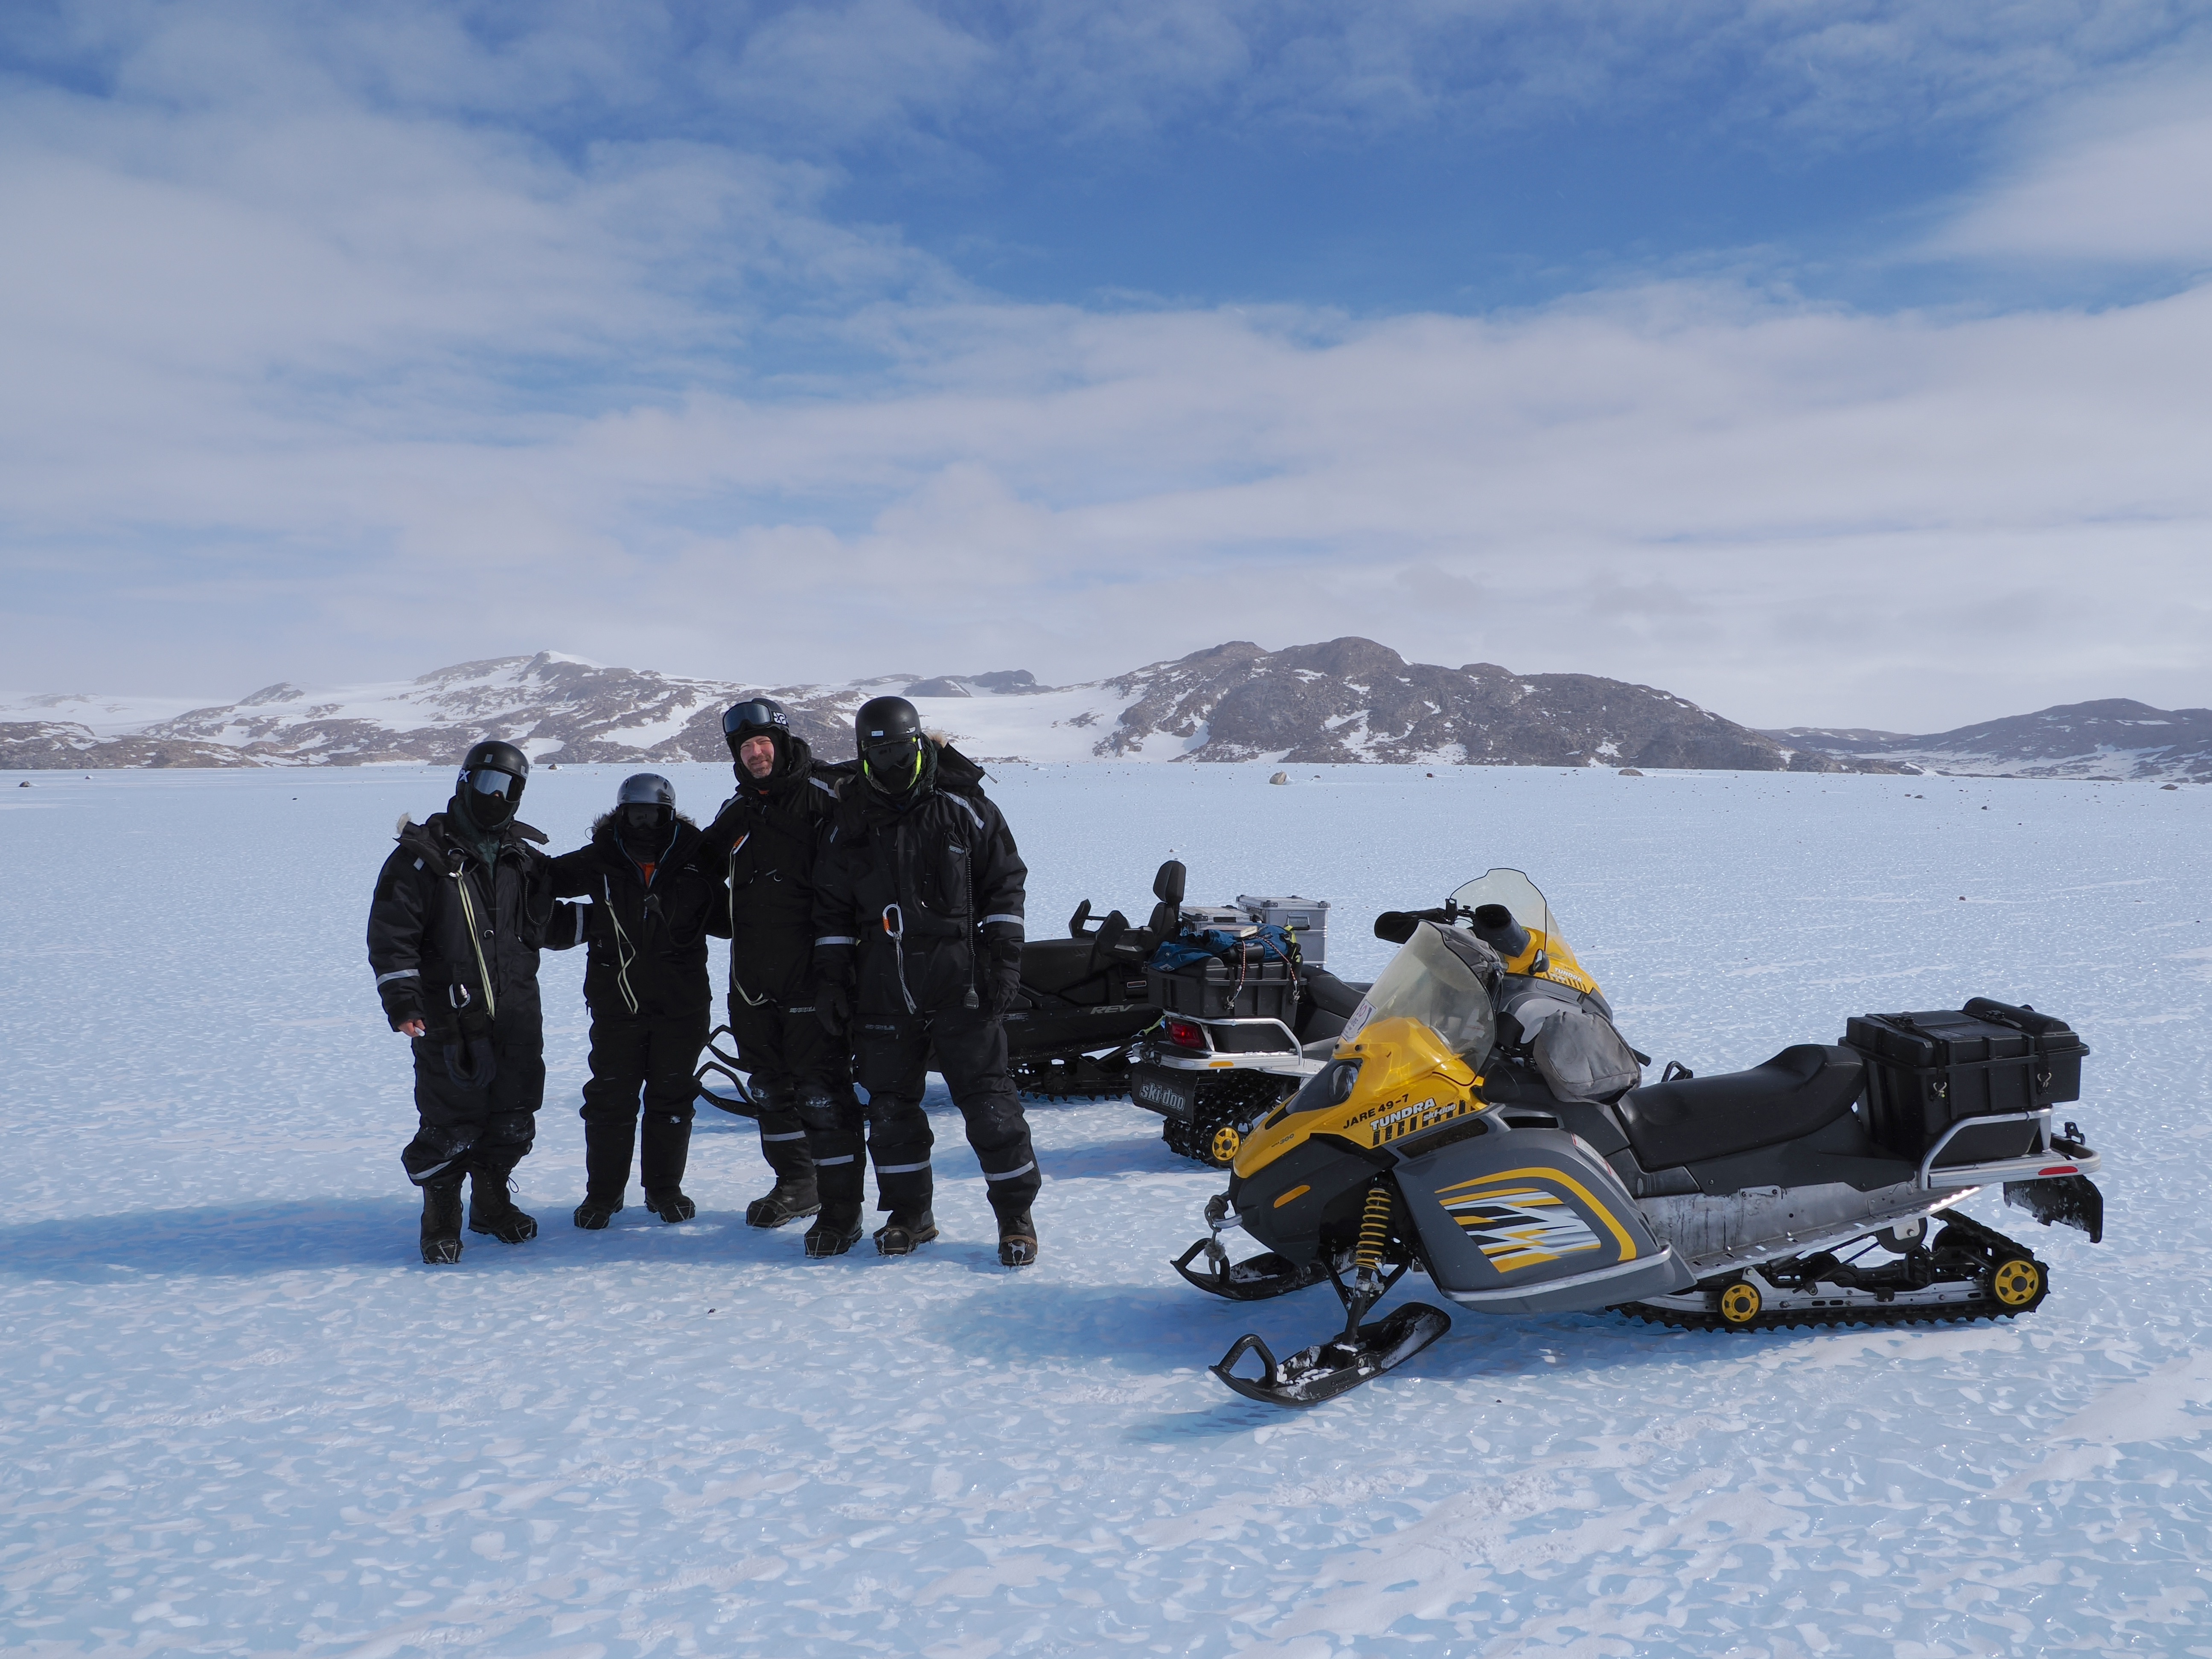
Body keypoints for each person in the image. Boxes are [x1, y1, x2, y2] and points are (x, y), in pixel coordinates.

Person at [811, 696, 1042, 1266]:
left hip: (962, 977)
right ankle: (911, 1215)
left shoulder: (966, 808)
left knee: (990, 1105)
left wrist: (1004, 960)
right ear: (864, 755)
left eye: (902, 749)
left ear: (921, 745)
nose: (893, 762)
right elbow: (832, 912)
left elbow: (1005, 887)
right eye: (880, 752)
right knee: (890, 1109)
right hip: (883, 983)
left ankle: (1016, 1216)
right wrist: (833, 981)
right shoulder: (849, 821)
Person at [367, 739, 582, 1264]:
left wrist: (612, 924)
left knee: (512, 1116)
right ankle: (440, 1218)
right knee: (451, 1121)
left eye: (509, 788)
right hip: (450, 1019)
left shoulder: (520, 860)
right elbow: (392, 935)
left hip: (516, 1014)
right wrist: (403, 998)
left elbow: (542, 925)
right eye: (487, 783)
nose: (497, 796)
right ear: (464, 783)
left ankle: (490, 1204)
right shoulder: (423, 860)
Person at [700, 698, 865, 1256]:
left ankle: (842, 1208)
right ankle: (797, 1183)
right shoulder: (740, 810)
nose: (755, 754)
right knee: (771, 1088)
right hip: (751, 979)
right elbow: (696, 866)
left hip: (812, 975)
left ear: (783, 741)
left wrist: (839, 974)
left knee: (822, 1093)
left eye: (762, 743)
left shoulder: (824, 801)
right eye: (745, 748)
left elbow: (853, 887)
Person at [550, 774, 723, 1228]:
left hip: (681, 1004)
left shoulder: (695, 857)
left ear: (670, 815)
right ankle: (603, 1196)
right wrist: (581, 923)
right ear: (621, 813)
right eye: (635, 814)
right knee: (611, 1099)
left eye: (654, 815)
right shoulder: (601, 858)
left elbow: (732, 915)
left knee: (672, 1097)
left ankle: (665, 1190)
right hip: (616, 1004)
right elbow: (539, 881)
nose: (644, 824)